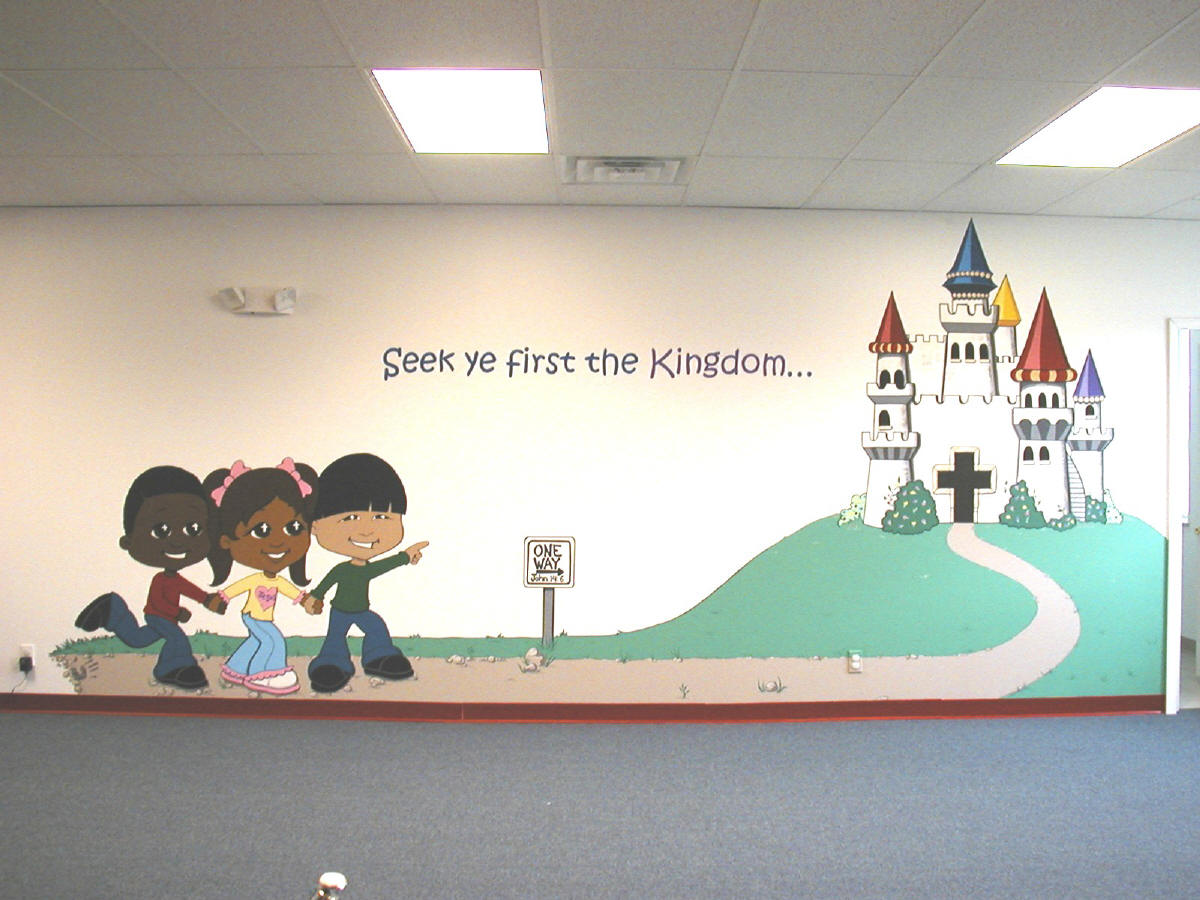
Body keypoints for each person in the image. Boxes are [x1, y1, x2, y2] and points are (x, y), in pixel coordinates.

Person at [75, 465, 227, 690]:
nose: (178, 542)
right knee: (177, 639)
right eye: (161, 530)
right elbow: (158, 603)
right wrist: (177, 612)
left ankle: (111, 610)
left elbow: (189, 590)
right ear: (128, 542)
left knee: (138, 639)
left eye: (193, 528)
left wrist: (207, 599)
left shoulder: (174, 579)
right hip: (157, 615)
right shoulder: (160, 580)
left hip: (164, 616)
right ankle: (172, 669)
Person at [306, 453, 429, 693]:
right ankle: (331, 665)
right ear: (315, 525)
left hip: (361, 610)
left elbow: (384, 566)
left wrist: (405, 556)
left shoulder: (367, 569)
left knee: (377, 627)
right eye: (350, 518)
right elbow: (325, 584)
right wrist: (315, 597)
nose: (366, 531)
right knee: (335, 637)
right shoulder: (341, 570)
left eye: (381, 517)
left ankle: (379, 658)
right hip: (340, 610)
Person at [203, 458, 322, 695]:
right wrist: (220, 598)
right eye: (261, 531)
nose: (278, 541)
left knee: (256, 641)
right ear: (226, 541)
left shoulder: (276, 581)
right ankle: (263, 674)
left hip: (261, 616)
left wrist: (307, 601)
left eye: (293, 528)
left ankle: (235, 669)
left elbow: (291, 592)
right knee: (273, 641)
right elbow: (236, 588)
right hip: (252, 616)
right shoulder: (255, 580)